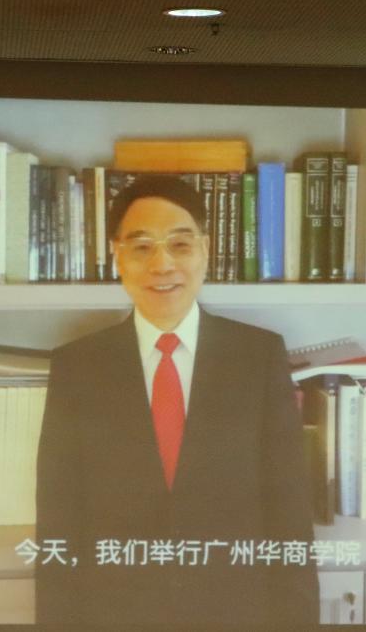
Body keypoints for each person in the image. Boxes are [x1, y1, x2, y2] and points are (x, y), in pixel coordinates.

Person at [35, 175, 319, 625]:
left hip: (237, 614)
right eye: (141, 246)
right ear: (117, 256)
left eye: (180, 245)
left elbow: (289, 514)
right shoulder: (77, 367)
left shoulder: (258, 357)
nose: (162, 265)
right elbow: (59, 518)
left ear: (205, 251)